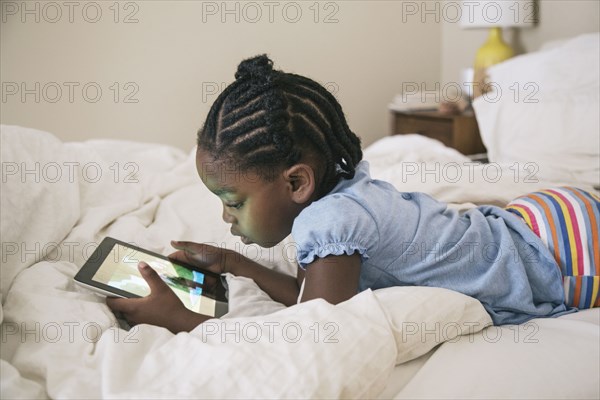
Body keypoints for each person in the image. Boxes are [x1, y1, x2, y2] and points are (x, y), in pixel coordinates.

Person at [107, 55, 599, 333]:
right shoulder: (339, 192)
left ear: (297, 182)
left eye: (233, 202)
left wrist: (180, 319)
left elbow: (314, 332)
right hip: (537, 215)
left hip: (564, 253)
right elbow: (312, 297)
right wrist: (236, 265)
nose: (226, 217)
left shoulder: (329, 223)